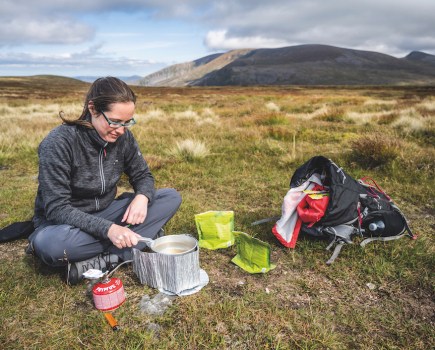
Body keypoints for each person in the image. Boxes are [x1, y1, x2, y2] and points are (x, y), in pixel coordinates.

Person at [26, 77, 182, 285]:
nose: (121, 130)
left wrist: (142, 197)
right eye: (115, 121)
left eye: (127, 122)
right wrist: (110, 230)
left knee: (170, 197)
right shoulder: (59, 143)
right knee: (51, 245)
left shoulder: (124, 138)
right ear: (93, 108)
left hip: (107, 213)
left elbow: (143, 175)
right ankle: (130, 245)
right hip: (66, 225)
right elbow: (57, 209)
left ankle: (108, 258)